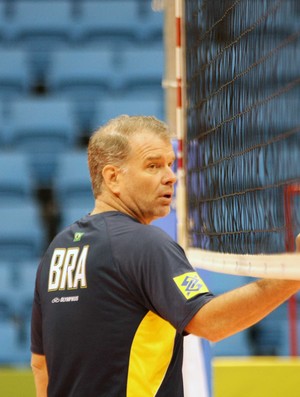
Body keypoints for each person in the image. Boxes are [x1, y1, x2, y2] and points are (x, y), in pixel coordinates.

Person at [31, 115, 300, 397]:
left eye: (170, 164)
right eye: (153, 166)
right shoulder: (144, 244)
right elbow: (210, 322)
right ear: (112, 178)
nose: (171, 176)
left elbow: (40, 365)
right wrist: (291, 275)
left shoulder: (56, 250)